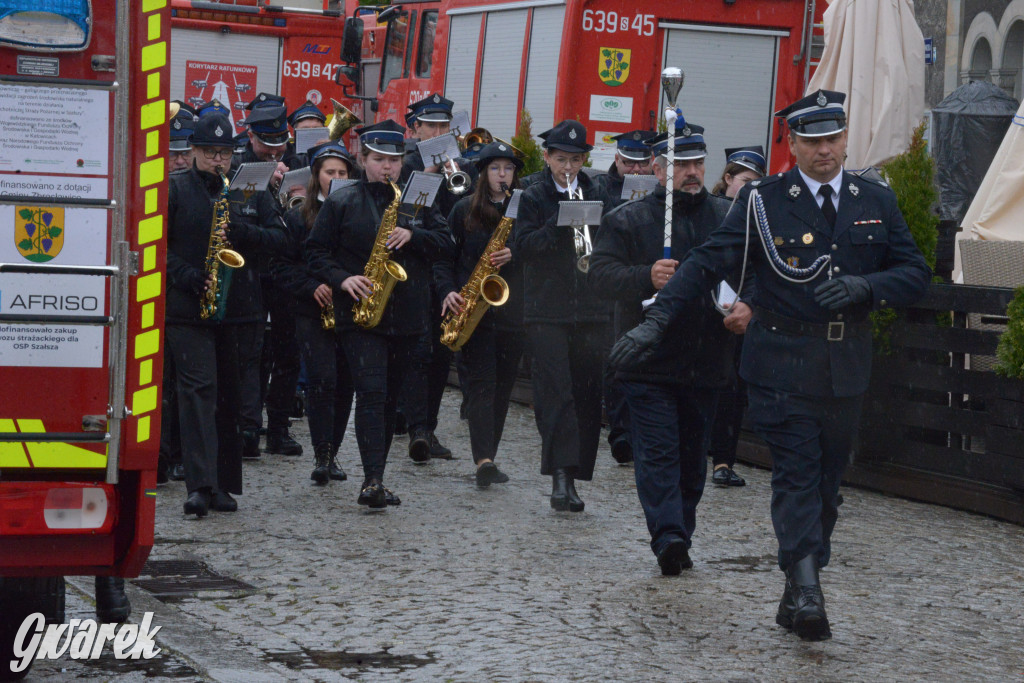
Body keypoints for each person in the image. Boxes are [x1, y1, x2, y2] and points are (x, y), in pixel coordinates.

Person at [609, 90, 930, 640]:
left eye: (832, 139)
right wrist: (658, 320)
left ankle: (799, 578)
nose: (824, 150)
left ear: (845, 140)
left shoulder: (873, 198)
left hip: (844, 363)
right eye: (812, 141)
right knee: (797, 474)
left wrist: (865, 286)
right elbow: (709, 259)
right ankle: (806, 587)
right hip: (780, 361)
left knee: (828, 482)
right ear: (794, 145)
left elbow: (915, 272)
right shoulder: (763, 201)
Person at [590, 119, 742, 575]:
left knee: (694, 461)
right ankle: (668, 535)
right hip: (648, 362)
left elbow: (747, 270)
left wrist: (744, 306)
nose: (692, 172)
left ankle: (682, 532)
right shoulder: (629, 219)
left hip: (706, 359)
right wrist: (644, 276)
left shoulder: (726, 218)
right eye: (681, 164)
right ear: (658, 170)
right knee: (658, 455)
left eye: (698, 162)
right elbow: (599, 277)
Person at [305, 120, 453, 508]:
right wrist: (343, 279)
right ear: (362, 159)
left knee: (388, 400)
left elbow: (446, 243)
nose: (387, 167)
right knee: (371, 393)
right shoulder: (342, 200)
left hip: (407, 314)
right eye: (379, 160)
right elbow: (316, 252)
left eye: (394, 160)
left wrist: (414, 235)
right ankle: (371, 480)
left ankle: (378, 475)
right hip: (361, 314)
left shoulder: (418, 198)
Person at [165, 114, 267, 517]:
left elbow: (278, 240)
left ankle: (224, 485)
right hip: (187, 309)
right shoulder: (174, 189)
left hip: (236, 309)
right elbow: (156, 246)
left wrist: (242, 232)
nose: (218, 160)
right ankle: (199, 484)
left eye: (224, 153)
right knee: (198, 392)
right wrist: (191, 277)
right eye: (209, 152)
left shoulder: (245, 190)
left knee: (229, 395)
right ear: (193, 152)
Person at [513, 119, 615, 512]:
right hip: (547, 310)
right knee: (556, 394)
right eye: (561, 159)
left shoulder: (597, 190)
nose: (568, 167)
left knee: (587, 395)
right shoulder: (534, 194)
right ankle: (559, 475)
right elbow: (523, 247)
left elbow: (607, 241)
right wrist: (561, 225)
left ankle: (575, 475)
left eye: (575, 159)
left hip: (590, 310)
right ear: (547, 157)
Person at [436, 141, 525, 487]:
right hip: (473, 309)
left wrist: (514, 252)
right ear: (483, 173)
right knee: (482, 387)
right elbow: (444, 257)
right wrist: (448, 291)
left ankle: (491, 453)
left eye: (508, 169)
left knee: (502, 388)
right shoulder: (462, 211)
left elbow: (541, 249)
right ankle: (483, 460)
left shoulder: (523, 209)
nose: (502, 175)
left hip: (513, 311)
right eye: (495, 168)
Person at [397, 93, 476, 462]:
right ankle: (415, 426)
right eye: (431, 125)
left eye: (445, 125)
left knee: (441, 353)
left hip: (446, 270)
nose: (439, 131)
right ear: (417, 129)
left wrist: (455, 174)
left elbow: (466, 216)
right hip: (412, 271)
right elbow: (403, 218)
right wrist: (428, 178)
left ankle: (427, 426)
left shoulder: (462, 166)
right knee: (416, 352)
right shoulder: (406, 164)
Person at [273, 142, 358, 484]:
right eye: (329, 173)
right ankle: (322, 454)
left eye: (342, 173)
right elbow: (280, 266)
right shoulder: (298, 217)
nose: (336, 179)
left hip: (351, 308)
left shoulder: (358, 212)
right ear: (315, 177)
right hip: (312, 310)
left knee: (346, 384)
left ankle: (332, 452)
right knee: (323, 380)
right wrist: (311, 286)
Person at [234, 104, 306, 457]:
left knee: (287, 351)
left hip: (285, 271)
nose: (275, 151)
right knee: (253, 352)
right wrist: (265, 185)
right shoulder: (237, 166)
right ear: (250, 136)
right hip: (250, 271)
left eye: (280, 143)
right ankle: (248, 424)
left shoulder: (295, 161)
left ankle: (278, 427)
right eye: (267, 144)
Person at [707, 145, 767, 488]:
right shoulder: (711, 210)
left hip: (740, 310)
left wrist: (749, 301)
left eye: (759, 182)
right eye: (747, 181)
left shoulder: (761, 215)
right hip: (708, 307)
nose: (752, 188)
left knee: (733, 389)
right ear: (728, 179)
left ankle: (723, 461)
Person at [592, 129, 656, 208]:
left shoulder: (663, 188)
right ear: (617, 160)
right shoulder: (599, 187)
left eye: (643, 162)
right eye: (629, 162)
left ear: (652, 160)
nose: (636, 169)